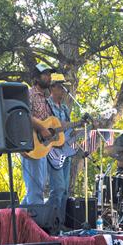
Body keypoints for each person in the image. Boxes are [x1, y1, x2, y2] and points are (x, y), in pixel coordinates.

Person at [21, 63, 56, 205]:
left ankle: (16, 221)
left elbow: (49, 122)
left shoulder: (46, 98)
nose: (49, 77)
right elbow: (24, 115)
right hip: (31, 144)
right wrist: (41, 128)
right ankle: (36, 225)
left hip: (42, 147)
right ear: (36, 78)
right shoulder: (29, 94)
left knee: (37, 187)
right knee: (35, 189)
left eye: (50, 74)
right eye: (45, 74)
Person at [46, 79, 71, 226]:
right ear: (52, 88)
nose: (63, 90)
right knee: (58, 188)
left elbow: (67, 130)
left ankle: (60, 224)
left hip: (65, 151)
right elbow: (50, 127)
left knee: (65, 191)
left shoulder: (65, 109)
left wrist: (80, 129)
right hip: (51, 150)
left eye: (64, 88)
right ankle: (48, 222)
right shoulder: (47, 104)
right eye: (61, 87)